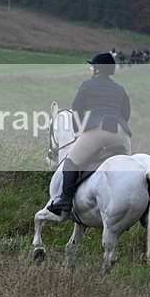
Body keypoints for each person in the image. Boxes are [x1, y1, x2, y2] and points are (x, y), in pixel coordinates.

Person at [49, 52, 131, 214]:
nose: (90, 69)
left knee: (70, 161)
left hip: (97, 130)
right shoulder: (120, 89)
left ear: (97, 70)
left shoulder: (87, 85)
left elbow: (77, 111)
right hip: (121, 133)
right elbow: (126, 114)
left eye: (92, 67)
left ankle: (65, 198)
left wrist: (79, 133)